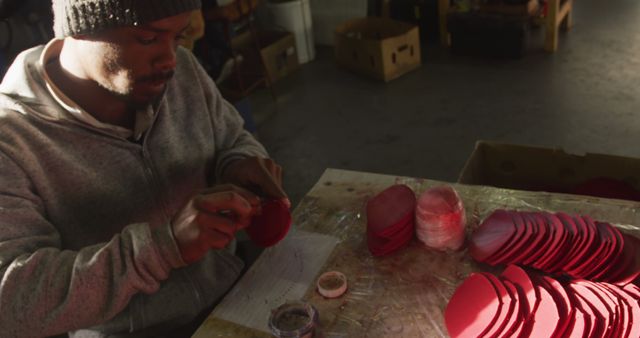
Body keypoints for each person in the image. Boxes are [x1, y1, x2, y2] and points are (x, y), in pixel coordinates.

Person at [0, 0, 289, 337]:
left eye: (178, 37)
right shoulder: (12, 139)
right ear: (79, 27)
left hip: (233, 299)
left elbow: (231, 135)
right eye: (148, 39)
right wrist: (162, 248)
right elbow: (11, 301)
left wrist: (238, 162)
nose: (169, 60)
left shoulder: (183, 70)